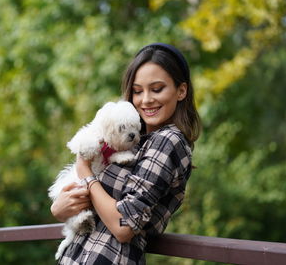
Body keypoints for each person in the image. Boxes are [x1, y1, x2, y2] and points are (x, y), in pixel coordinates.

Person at [50, 43, 201, 264]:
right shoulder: (131, 139)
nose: (146, 99)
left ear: (181, 91)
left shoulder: (168, 141)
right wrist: (60, 208)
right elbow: (90, 202)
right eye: (138, 91)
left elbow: (124, 226)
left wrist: (85, 172)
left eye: (157, 89)